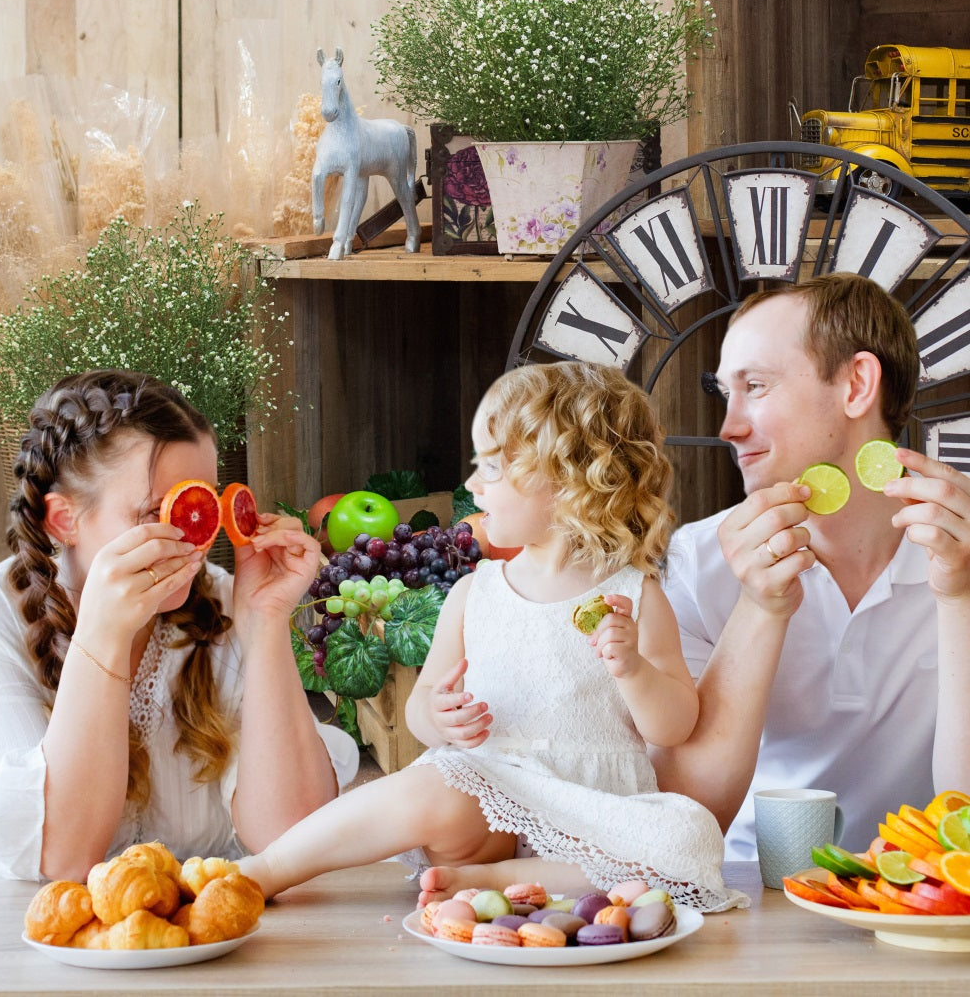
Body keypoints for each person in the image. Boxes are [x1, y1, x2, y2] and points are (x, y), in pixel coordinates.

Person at [238, 361, 747, 912]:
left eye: (493, 468)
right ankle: (268, 869)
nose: (473, 484)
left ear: (574, 481)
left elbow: (673, 727)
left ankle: (501, 877)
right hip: (488, 795)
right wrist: (440, 716)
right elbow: (421, 711)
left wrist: (633, 670)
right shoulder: (475, 592)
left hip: (591, 815)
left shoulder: (635, 596)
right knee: (429, 785)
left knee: (689, 835)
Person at [0, 370, 358, 881]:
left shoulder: (223, 600)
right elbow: (60, 861)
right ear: (64, 521)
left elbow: (291, 833)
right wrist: (103, 637)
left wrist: (264, 626)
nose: (195, 542)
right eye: (159, 511)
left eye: (205, 506)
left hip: (215, 944)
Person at [655, 272, 970, 859]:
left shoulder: (962, 542)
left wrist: (960, 599)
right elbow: (682, 815)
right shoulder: (694, 565)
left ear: (856, 385)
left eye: (757, 385)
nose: (729, 427)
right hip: (750, 897)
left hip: (922, 893)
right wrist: (760, 607)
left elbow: (967, 817)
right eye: (726, 392)